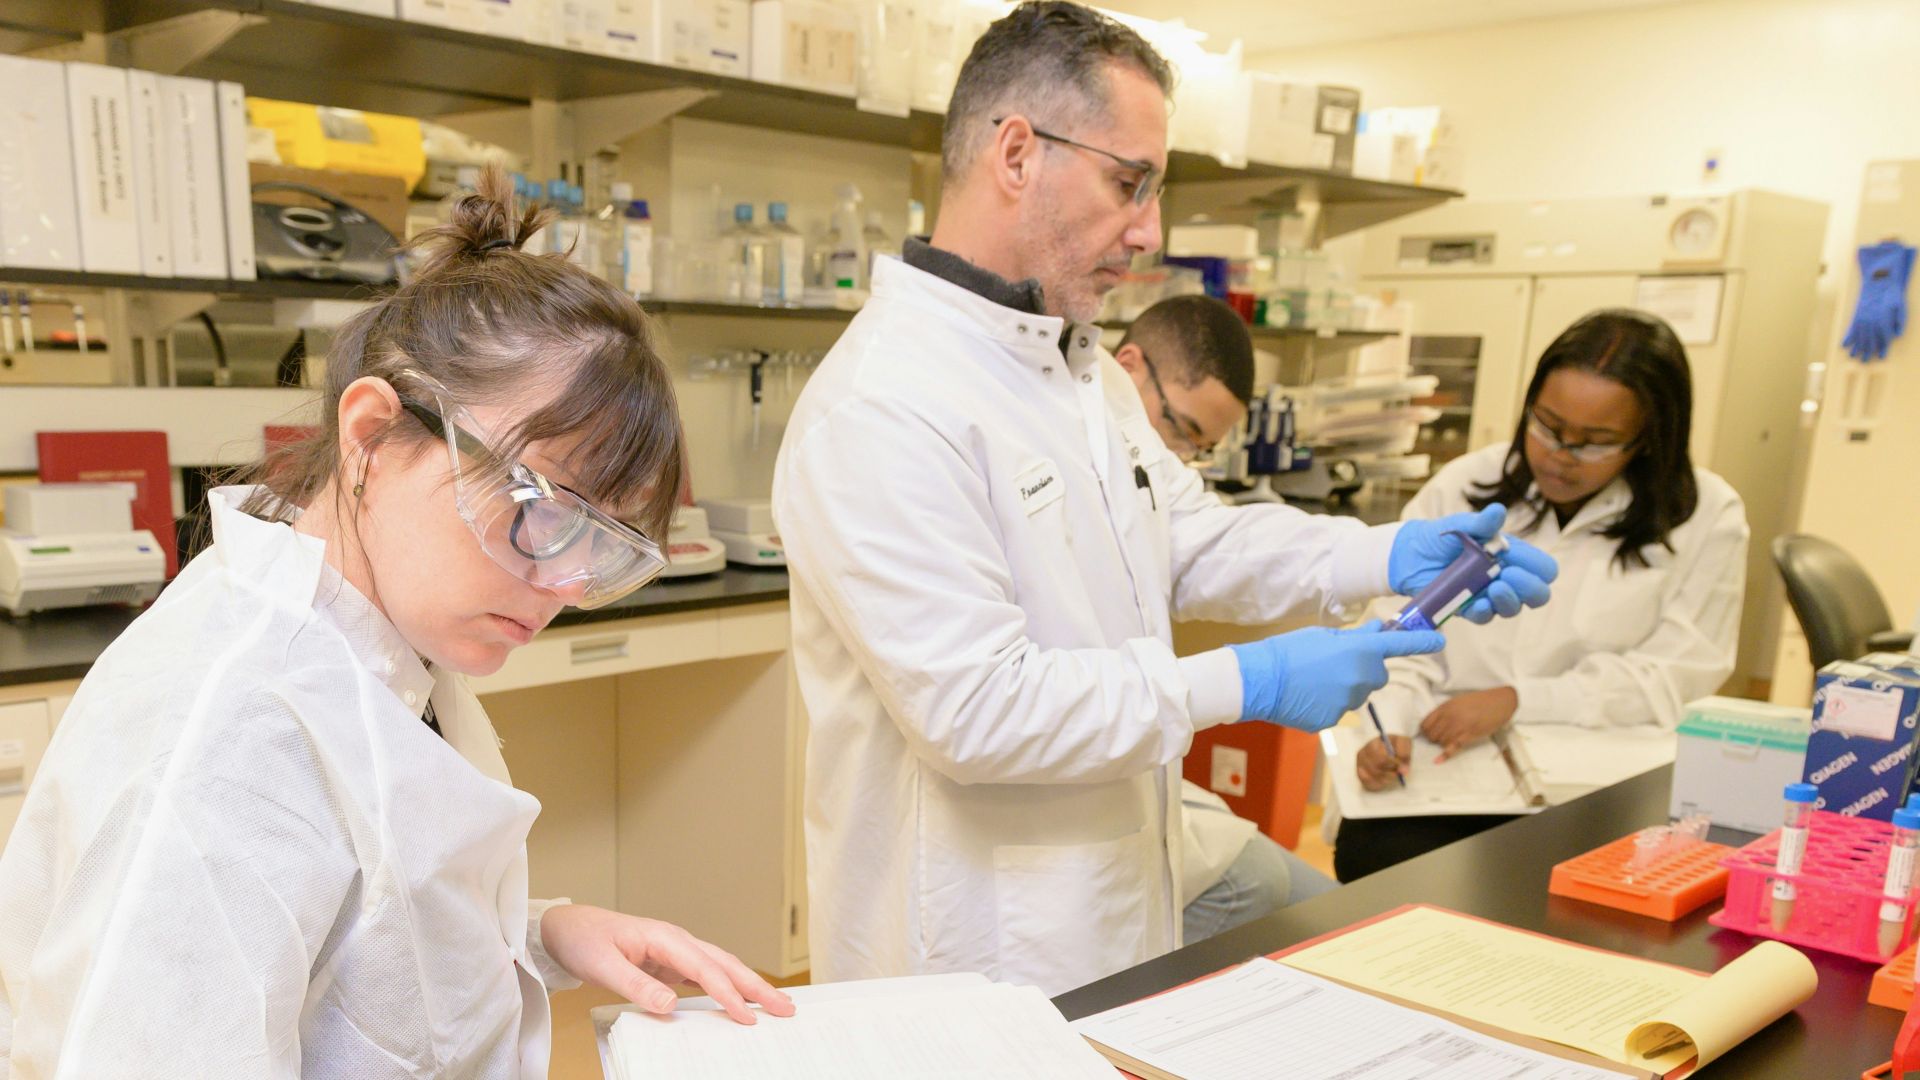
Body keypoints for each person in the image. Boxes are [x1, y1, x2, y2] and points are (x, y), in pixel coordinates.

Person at [772, 0, 1557, 997]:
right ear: (1016, 153)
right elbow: (979, 711)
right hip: (971, 945)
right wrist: (1249, 680)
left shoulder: (1078, 371)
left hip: (1113, 903)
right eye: (1129, 182)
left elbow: (1188, 540)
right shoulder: (882, 405)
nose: (1150, 230)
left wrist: (1387, 554)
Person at [0, 168, 791, 1078]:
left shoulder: (373, 627)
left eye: (600, 550)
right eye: (539, 509)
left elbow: (351, 933)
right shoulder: (225, 751)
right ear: (373, 435)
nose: (560, 587)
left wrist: (544, 935)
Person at [1334, 309, 1749, 881]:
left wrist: (1516, 700)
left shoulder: (1705, 516)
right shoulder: (1461, 487)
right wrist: (1392, 725)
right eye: (1547, 426)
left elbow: (1673, 677)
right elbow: (1398, 629)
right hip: (1448, 771)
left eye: (1596, 443)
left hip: (1597, 781)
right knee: (1374, 862)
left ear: (1649, 439)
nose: (1560, 454)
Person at [1115, 295, 1339, 941]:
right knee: (1261, 890)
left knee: (1344, 912)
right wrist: (1249, 680)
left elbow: (1222, 547)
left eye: (1200, 446)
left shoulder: (1146, 470)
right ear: (1130, 367)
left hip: (1144, 777)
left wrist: (1379, 557)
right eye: (1182, 430)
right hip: (1081, 795)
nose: (1182, 457)